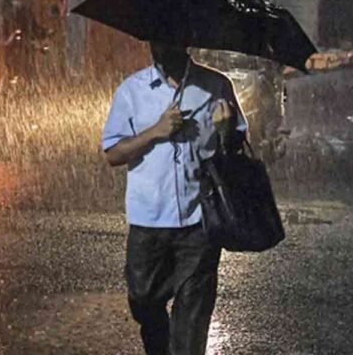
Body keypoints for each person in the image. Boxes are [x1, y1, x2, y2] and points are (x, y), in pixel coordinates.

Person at [102, 42, 247, 355]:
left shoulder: (216, 85)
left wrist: (226, 131)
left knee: (193, 319)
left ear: (185, 40)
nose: (160, 46)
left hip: (200, 220)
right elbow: (113, 153)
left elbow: (237, 143)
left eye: (169, 36)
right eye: (155, 37)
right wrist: (155, 131)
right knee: (143, 300)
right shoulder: (132, 90)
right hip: (148, 219)